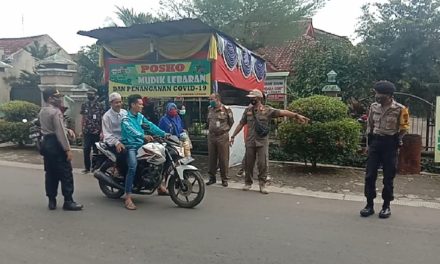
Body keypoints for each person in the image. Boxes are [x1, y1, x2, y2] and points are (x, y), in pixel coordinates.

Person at [230, 89, 309, 194]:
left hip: (262, 141)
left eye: (252, 98)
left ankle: (262, 184)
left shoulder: (267, 110)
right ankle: (248, 183)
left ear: (258, 98)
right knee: (248, 164)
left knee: (262, 164)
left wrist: (296, 115)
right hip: (250, 141)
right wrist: (233, 136)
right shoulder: (248, 111)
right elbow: (241, 124)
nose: (250, 99)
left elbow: (282, 112)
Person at [360, 81, 409, 219]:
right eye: (376, 93)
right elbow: (369, 125)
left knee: (388, 177)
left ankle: (386, 206)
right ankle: (369, 205)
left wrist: (397, 139)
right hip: (375, 143)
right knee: (369, 176)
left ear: (388, 95)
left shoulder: (400, 109)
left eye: (379, 93)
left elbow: (404, 127)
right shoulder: (373, 107)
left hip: (390, 145)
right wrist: (368, 144)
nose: (377, 96)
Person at [121, 94, 168, 210]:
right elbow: (131, 130)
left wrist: (164, 134)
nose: (142, 106)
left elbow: (151, 126)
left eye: (142, 104)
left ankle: (158, 185)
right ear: (133, 105)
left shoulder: (140, 117)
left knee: (159, 157)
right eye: (140, 104)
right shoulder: (126, 118)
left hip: (142, 144)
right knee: (132, 166)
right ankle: (127, 197)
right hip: (131, 146)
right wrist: (143, 136)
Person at [39, 88, 83, 211]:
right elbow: (59, 133)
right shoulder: (55, 112)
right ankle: (68, 201)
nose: (59, 99)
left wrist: (67, 129)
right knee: (66, 173)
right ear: (49, 98)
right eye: (56, 97)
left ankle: (51, 200)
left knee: (50, 173)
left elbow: (55, 128)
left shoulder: (42, 111)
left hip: (46, 144)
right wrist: (67, 149)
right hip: (57, 144)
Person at [206, 93, 234, 187]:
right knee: (212, 158)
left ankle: (224, 179)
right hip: (212, 136)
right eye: (209, 99)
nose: (210, 101)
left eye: (212, 99)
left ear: (217, 99)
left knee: (223, 158)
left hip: (222, 136)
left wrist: (224, 130)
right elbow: (208, 121)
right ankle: (212, 178)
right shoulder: (210, 109)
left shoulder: (226, 109)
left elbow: (231, 122)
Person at [102, 92, 128, 176]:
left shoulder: (125, 113)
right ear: (111, 103)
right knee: (124, 154)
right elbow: (107, 134)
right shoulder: (107, 116)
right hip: (113, 142)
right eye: (116, 102)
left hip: (126, 140)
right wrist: (117, 143)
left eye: (120, 102)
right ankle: (123, 175)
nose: (119, 104)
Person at [80, 88, 105, 174]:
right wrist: (82, 129)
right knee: (86, 149)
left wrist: (102, 131)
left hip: (96, 131)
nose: (90, 96)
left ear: (95, 95)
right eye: (88, 94)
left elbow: (102, 118)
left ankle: (94, 167)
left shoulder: (100, 105)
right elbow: (83, 117)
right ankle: (87, 168)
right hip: (87, 131)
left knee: (96, 150)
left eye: (91, 94)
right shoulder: (84, 105)